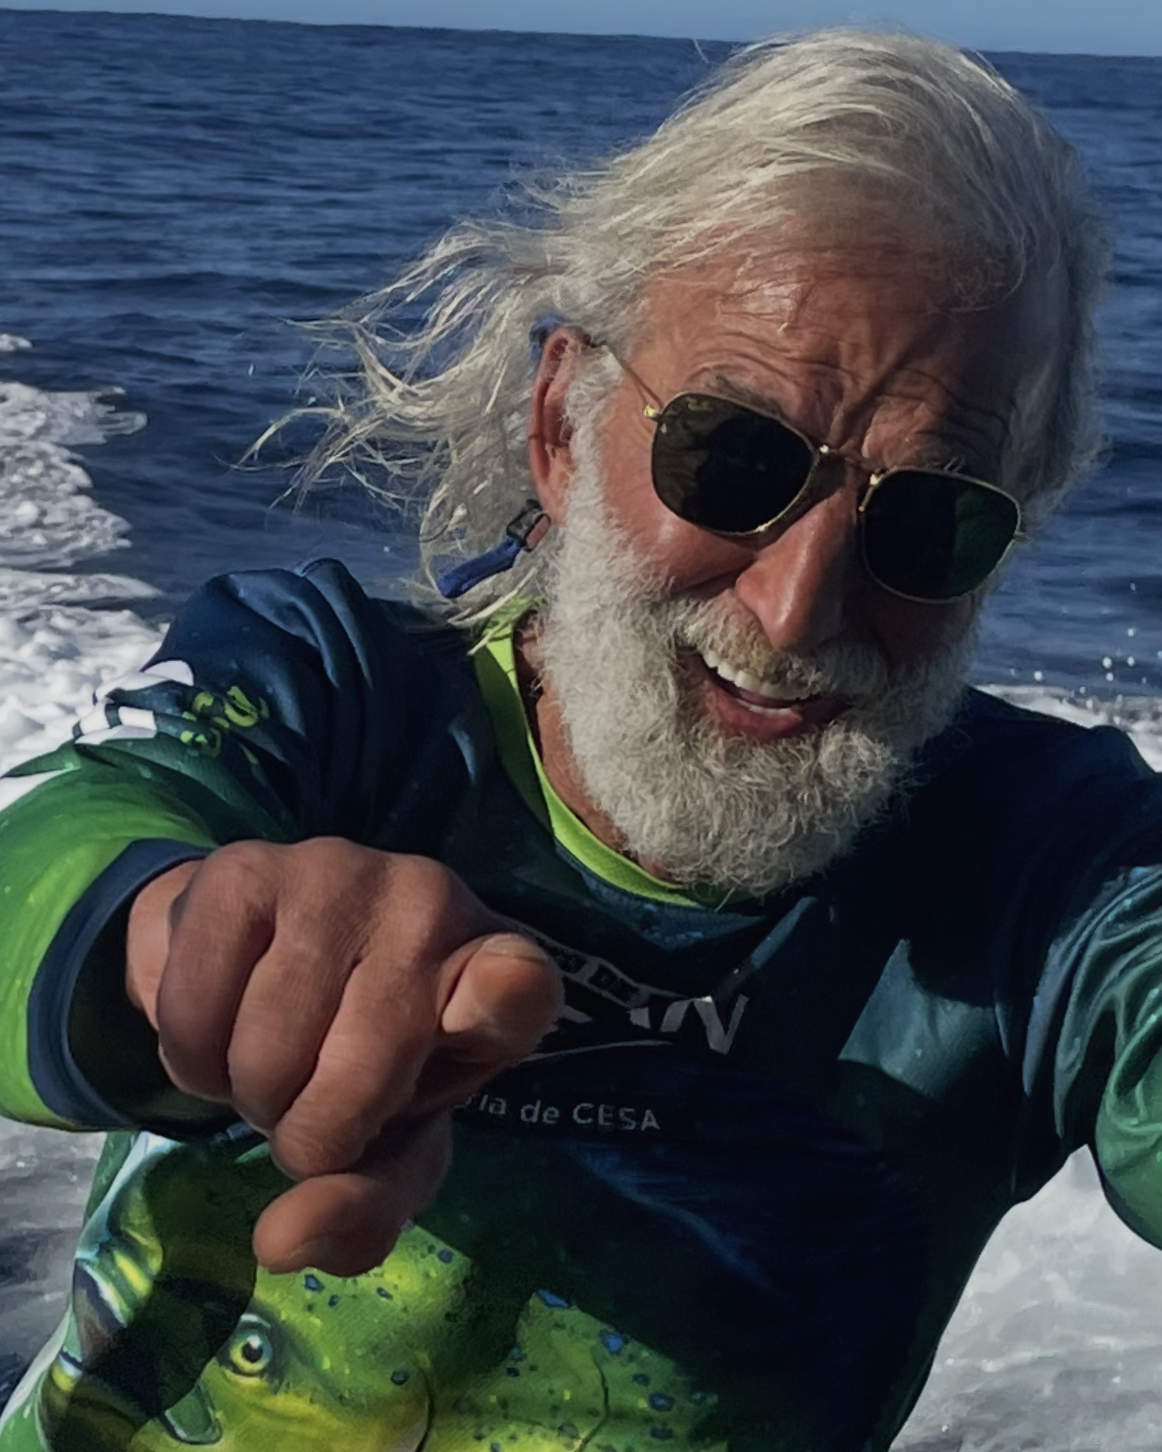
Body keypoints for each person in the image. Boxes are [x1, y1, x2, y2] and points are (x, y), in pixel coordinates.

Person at [0, 26, 1154, 1452]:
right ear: (561, 425)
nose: (797, 608)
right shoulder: (332, 692)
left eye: (930, 521)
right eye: (732, 458)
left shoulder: (1050, 864)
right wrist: (192, 946)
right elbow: (52, 863)